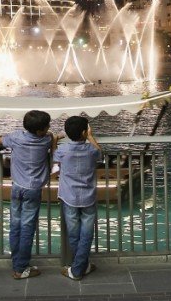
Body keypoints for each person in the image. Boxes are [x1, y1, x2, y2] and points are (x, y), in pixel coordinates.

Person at [0, 110, 57, 280]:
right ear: (39, 131)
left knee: (15, 225)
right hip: (33, 189)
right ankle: (21, 268)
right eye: (47, 126)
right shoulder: (46, 140)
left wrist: (7, 135)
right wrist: (53, 138)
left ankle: (17, 263)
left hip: (17, 187)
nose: (49, 127)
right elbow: (52, 139)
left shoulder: (16, 138)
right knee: (27, 228)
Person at [55, 116, 101, 281]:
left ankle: (77, 269)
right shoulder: (91, 150)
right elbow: (100, 154)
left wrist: (54, 139)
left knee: (74, 234)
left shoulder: (63, 150)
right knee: (86, 234)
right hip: (88, 197)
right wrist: (90, 137)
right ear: (84, 132)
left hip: (69, 197)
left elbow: (54, 157)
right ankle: (81, 267)